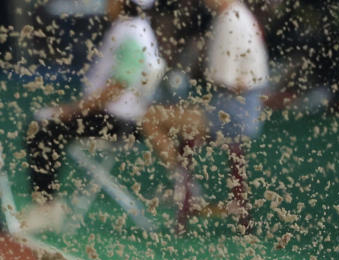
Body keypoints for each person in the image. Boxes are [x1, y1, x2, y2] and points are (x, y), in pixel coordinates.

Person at [23, 0, 165, 231]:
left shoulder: (130, 32)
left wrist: (73, 110)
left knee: (42, 127)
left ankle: (46, 207)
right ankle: (46, 204)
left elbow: (118, 86)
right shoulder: (136, 28)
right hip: (116, 115)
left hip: (118, 120)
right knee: (46, 122)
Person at [142, 0, 269, 232]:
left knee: (151, 116)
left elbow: (227, 81)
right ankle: (185, 185)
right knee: (170, 113)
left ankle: (184, 183)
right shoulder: (236, 15)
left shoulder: (230, 20)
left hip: (233, 114)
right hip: (237, 110)